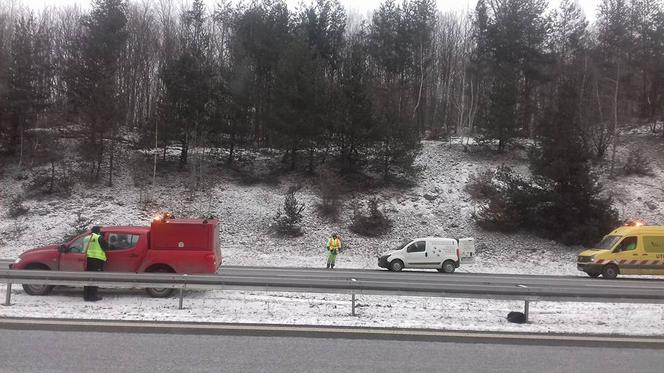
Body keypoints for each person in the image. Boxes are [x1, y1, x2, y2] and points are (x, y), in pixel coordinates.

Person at [82, 226, 108, 301]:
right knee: (94, 279)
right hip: (96, 260)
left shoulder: (86, 238)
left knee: (87, 278)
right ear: (98, 231)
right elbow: (106, 247)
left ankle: (86, 296)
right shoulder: (99, 237)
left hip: (87, 260)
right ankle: (93, 296)